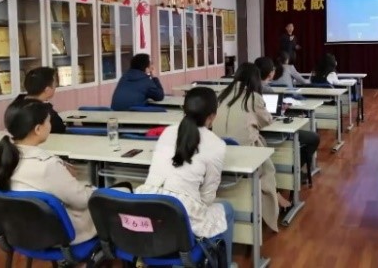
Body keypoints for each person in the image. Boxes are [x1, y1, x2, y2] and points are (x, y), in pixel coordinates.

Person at [136, 87, 236, 267]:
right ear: (212, 116)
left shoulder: (167, 132)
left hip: (146, 205)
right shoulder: (216, 144)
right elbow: (207, 197)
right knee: (227, 208)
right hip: (180, 214)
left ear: (184, 109)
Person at [0, 99, 96, 244]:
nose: (50, 125)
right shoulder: (47, 166)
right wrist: (93, 189)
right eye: (48, 121)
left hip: (17, 232)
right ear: (38, 129)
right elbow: (82, 201)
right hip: (57, 235)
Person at [212, 63, 288, 233]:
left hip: (219, 151)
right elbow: (266, 121)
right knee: (267, 169)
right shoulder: (253, 97)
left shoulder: (221, 95)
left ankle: (273, 199)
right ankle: (271, 206)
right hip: (245, 151)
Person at [254, 57, 321, 177]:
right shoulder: (267, 89)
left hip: (257, 131)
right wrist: (282, 110)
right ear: (270, 73)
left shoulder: (249, 88)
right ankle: (295, 170)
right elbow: (270, 115)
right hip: (270, 130)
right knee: (313, 138)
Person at [10, 67, 65, 134]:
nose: (55, 86)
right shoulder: (46, 113)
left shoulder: (15, 106)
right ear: (47, 90)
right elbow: (61, 130)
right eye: (54, 84)